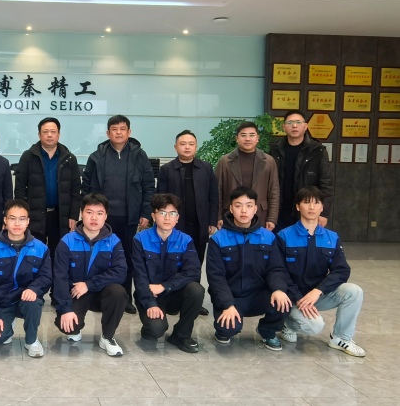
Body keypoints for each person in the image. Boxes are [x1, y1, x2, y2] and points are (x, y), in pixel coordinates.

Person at [277, 186, 365, 356]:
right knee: (315, 326)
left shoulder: (332, 237)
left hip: (317, 295)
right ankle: (287, 324)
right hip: (292, 297)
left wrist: (318, 291)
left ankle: (341, 338)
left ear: (322, 207)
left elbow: (341, 270)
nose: (311, 207)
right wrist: (298, 297)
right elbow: (279, 272)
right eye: (306, 202)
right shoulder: (284, 236)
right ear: (298, 206)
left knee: (354, 291)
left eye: (316, 203)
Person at [82, 115, 155, 314]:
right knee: (101, 256)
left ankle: (125, 298)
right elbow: (86, 187)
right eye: (114, 129)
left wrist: (146, 212)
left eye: (122, 129)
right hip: (102, 218)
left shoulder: (139, 156)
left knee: (127, 258)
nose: (119, 133)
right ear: (108, 133)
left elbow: (149, 186)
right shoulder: (97, 157)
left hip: (130, 217)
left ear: (129, 132)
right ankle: (100, 297)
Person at [206, 187, 292, 351]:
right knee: (228, 330)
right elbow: (216, 277)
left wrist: (278, 289)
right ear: (231, 209)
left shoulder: (268, 237)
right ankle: (223, 328)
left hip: (258, 295)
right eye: (238, 206)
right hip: (231, 296)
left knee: (284, 300)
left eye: (249, 205)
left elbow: (275, 268)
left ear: (255, 209)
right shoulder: (218, 239)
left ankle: (267, 331)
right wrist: (227, 304)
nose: (244, 210)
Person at [53, 193, 128, 357]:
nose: (94, 218)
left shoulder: (114, 241)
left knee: (118, 292)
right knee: (68, 326)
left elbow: (120, 271)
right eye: (89, 212)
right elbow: (59, 277)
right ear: (82, 213)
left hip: (102, 292)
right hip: (76, 293)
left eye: (99, 213)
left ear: (106, 216)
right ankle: (76, 327)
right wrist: (65, 309)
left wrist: (89, 284)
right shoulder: (67, 241)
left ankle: (107, 337)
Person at [132, 193, 204, 353]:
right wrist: (150, 303)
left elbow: (193, 271)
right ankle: (149, 328)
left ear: (177, 218)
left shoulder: (185, 240)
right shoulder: (140, 239)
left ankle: (181, 335)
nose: (167, 218)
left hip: (174, 293)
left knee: (196, 290)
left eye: (172, 213)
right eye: (162, 213)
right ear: (153, 216)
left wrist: (165, 286)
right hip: (150, 294)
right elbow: (139, 275)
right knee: (156, 330)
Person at [156, 129, 218, 316]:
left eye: (191, 144)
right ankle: (171, 298)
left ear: (196, 147)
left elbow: (213, 196)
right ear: (175, 147)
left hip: (199, 224)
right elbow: (160, 199)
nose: (187, 147)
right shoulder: (167, 170)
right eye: (183, 144)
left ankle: (194, 301)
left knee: (195, 263)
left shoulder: (206, 168)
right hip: (174, 225)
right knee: (173, 261)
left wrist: (212, 221)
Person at [0, 199, 52, 358]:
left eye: (22, 219)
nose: (17, 223)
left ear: (28, 221)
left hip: (26, 299)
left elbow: (46, 276)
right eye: (12, 218)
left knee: (33, 302)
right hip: (3, 302)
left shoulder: (40, 248)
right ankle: (8, 321)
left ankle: (31, 340)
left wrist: (34, 289)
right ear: (5, 221)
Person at [14, 117, 80, 273]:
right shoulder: (28, 156)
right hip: (35, 214)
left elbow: (75, 190)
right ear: (39, 135)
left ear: (59, 134)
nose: (49, 135)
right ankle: (35, 286)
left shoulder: (69, 158)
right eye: (45, 132)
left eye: (53, 132)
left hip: (60, 215)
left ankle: (56, 287)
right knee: (34, 254)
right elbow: (20, 189)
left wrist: (73, 215)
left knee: (59, 254)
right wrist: (23, 216)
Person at [270, 111, 334, 231]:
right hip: (280, 211)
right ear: (284, 127)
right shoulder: (274, 150)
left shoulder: (317, 151)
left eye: (298, 122)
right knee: (279, 241)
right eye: (290, 123)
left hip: (307, 210)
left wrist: (323, 213)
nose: (294, 126)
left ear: (305, 126)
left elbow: (326, 184)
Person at [215, 121, 279, 230]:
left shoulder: (268, 161)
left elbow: (274, 191)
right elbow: (217, 191)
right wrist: (218, 216)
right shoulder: (225, 161)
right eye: (243, 135)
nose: (248, 139)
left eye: (252, 135)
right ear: (237, 138)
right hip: (231, 214)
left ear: (257, 138)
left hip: (260, 213)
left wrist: (272, 218)